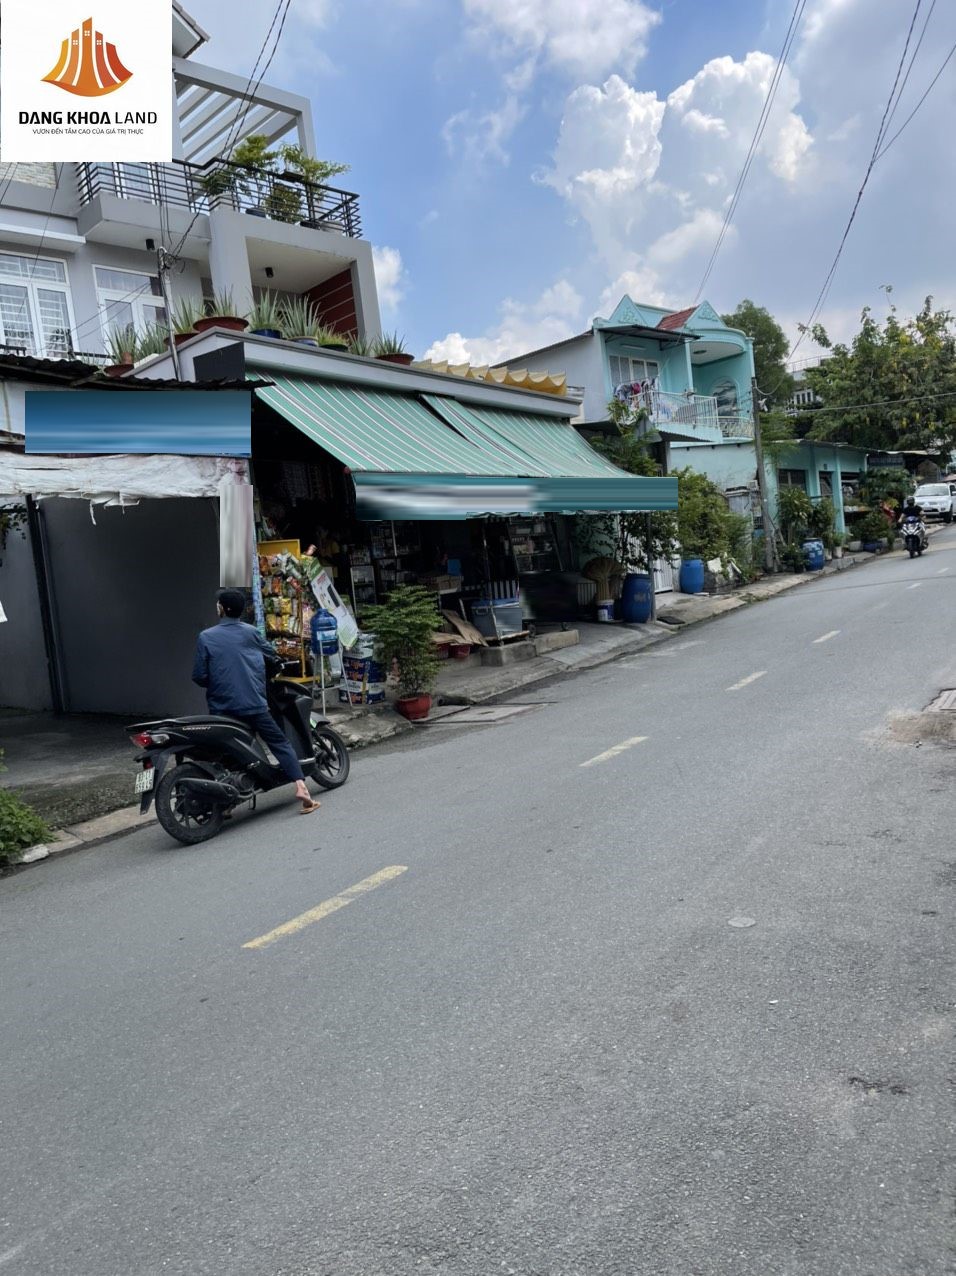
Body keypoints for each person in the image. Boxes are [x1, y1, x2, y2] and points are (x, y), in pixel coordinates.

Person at [192, 589, 320, 814]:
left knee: (226, 750)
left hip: (222, 708)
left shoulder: (206, 637)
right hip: (254, 703)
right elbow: (271, 655)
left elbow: (199, 676)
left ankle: (226, 804)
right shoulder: (251, 633)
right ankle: (301, 788)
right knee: (279, 743)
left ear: (222, 609)